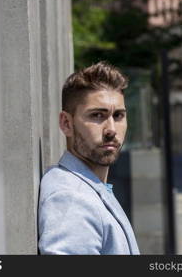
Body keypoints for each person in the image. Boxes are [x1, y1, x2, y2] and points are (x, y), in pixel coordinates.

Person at [38, 62, 140, 255]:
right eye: (97, 115)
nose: (111, 129)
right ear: (66, 123)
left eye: (118, 116)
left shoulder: (89, 186)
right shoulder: (71, 198)